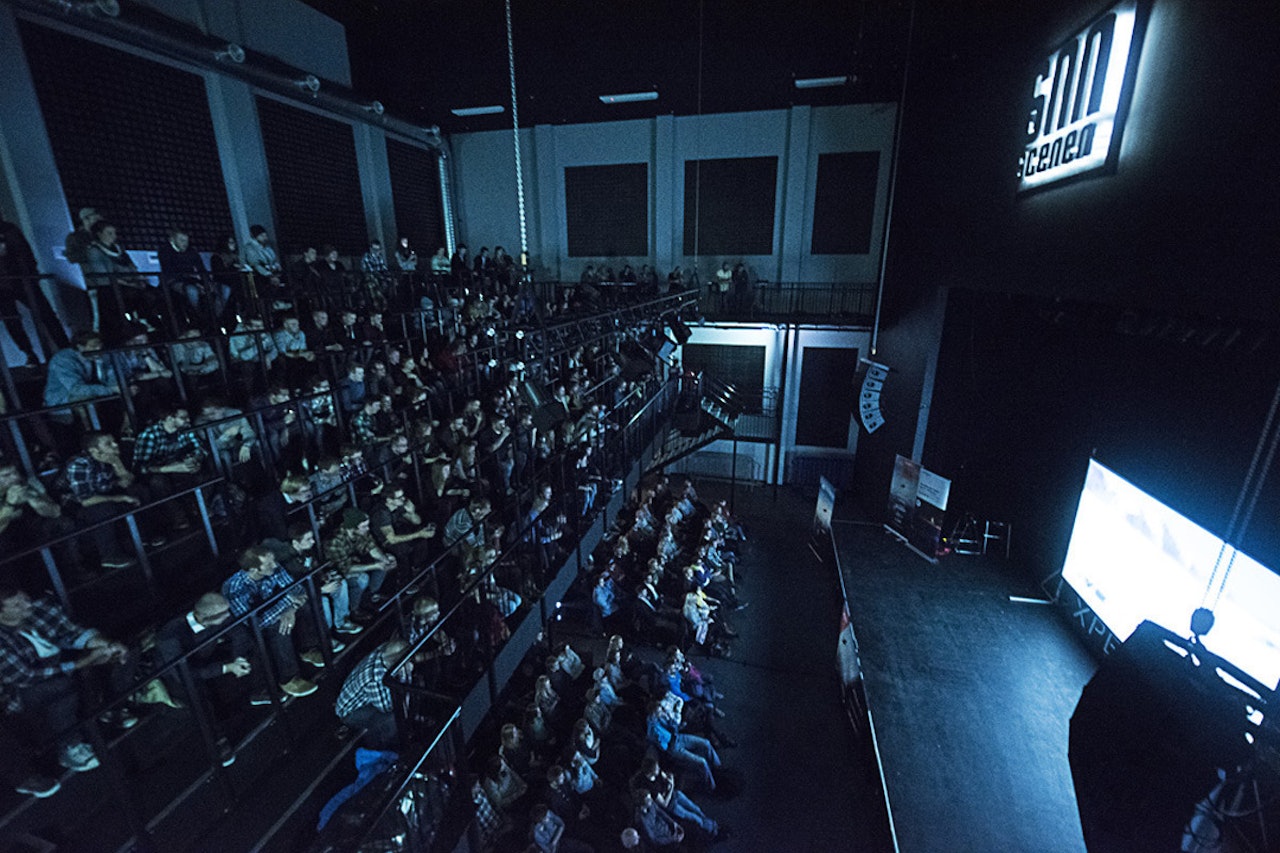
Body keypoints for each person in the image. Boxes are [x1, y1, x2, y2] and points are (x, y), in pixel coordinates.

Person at [0, 586, 132, 780]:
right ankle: (69, 747)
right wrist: (81, 663)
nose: (26, 605)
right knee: (60, 686)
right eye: (17, 604)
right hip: (23, 689)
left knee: (115, 651)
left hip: (59, 664)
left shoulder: (40, 608)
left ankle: (110, 708)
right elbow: (26, 676)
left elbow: (71, 632)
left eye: (25, 598)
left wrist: (104, 645)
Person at [153, 592, 250, 766]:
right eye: (223, 614)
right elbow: (184, 674)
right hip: (176, 674)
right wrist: (226, 667)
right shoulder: (170, 634)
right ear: (205, 617)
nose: (228, 616)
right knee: (197, 696)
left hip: (204, 658)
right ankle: (216, 742)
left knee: (251, 653)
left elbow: (239, 633)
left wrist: (239, 658)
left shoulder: (219, 616)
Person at [221, 545, 320, 702]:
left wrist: (291, 609)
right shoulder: (234, 587)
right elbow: (256, 623)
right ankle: (288, 679)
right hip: (247, 626)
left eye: (273, 561)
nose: (274, 565)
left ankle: (308, 649)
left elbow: (299, 591)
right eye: (268, 564)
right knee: (280, 627)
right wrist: (286, 603)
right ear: (253, 570)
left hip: (274, 610)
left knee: (304, 608)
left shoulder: (275, 567)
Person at [0, 218, 65, 365]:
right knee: (13, 321)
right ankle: (30, 352)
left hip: (21, 280)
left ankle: (63, 347)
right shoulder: (9, 229)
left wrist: (31, 273)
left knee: (44, 314)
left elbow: (24, 252)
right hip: (11, 283)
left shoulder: (9, 229)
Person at [334, 637, 409, 750]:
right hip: (349, 711)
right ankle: (383, 748)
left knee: (400, 706)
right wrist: (405, 676)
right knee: (392, 719)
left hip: (366, 698)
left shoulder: (384, 651)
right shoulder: (375, 677)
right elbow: (387, 708)